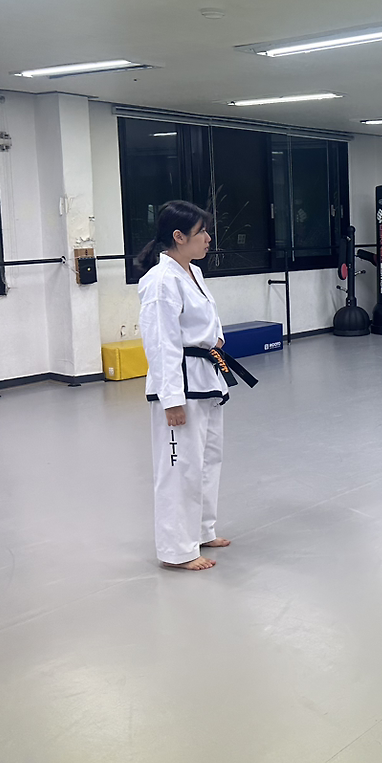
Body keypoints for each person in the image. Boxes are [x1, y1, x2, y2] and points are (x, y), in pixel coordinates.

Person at [136, 200, 242, 571]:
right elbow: (160, 342)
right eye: (202, 232)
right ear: (179, 237)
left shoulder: (192, 271)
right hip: (180, 383)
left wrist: (216, 337)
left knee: (208, 459)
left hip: (205, 378)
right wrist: (171, 400)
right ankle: (177, 550)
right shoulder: (160, 281)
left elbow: (204, 320)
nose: (208, 239)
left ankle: (201, 530)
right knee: (178, 468)